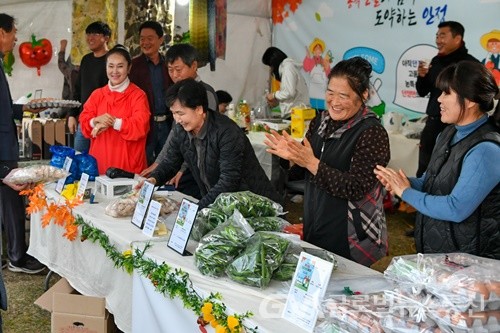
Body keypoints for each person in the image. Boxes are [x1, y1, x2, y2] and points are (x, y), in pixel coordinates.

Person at [265, 57, 390, 266]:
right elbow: (304, 172)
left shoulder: (372, 133)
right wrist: (290, 158)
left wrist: (310, 162)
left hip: (350, 232)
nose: (334, 101)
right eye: (330, 93)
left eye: (343, 96)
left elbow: (356, 187)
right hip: (317, 220)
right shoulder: (320, 121)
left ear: (364, 96)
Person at [375, 60, 500, 259]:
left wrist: (405, 192)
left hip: (471, 263)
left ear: (470, 101)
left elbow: (456, 208)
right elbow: (429, 182)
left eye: (446, 93)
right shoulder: (447, 133)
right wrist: (399, 182)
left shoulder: (486, 150)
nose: (439, 99)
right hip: (440, 252)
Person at [144, 78, 281, 208]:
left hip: (252, 204)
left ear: (199, 109)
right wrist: (153, 180)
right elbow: (170, 162)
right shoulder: (181, 130)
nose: (177, 119)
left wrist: (199, 208)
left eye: (180, 113)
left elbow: (228, 181)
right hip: (221, 203)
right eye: (173, 113)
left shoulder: (227, 132)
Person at [0, 13, 46, 279]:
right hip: (3, 152)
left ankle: (15, 254)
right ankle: (17, 256)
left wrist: (25, 108)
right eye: (13, 33)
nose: (16, 38)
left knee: (9, 205)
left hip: (5, 148)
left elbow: (3, 109)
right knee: (12, 203)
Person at [141, 43, 219, 199]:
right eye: (170, 70)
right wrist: (160, 163)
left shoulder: (205, 93)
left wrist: (181, 168)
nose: (175, 75)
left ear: (194, 66)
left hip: (198, 162)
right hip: (183, 160)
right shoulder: (177, 93)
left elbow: (197, 137)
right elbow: (176, 134)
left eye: (179, 69)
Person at [416, 21, 478, 178]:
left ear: (457, 39)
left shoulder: (470, 65)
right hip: (433, 123)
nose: (438, 40)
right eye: (437, 36)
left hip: (455, 126)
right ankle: (416, 200)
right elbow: (422, 91)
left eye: (442, 36)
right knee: (424, 166)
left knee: (448, 172)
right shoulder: (436, 61)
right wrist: (422, 77)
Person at [78, 44, 150, 175]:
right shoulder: (97, 95)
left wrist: (114, 122)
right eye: (110, 66)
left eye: (120, 66)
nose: (114, 71)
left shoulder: (138, 95)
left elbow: (141, 126)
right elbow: (84, 123)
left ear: (129, 68)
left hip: (128, 167)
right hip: (99, 164)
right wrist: (95, 121)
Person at [129, 21, 173, 165]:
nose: (145, 42)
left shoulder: (169, 65)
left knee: (167, 164)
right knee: (143, 165)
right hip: (145, 126)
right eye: (142, 39)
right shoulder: (133, 66)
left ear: (160, 39)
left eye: (150, 38)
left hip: (167, 124)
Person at [67, 21, 111, 152]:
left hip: (105, 121)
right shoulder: (86, 60)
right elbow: (77, 89)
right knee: (79, 156)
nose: (90, 38)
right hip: (85, 119)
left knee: (101, 160)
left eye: (95, 34)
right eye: (88, 34)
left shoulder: (112, 60)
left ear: (106, 38)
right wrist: (71, 115)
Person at [262, 46, 309, 119]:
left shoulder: (288, 68)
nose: (271, 69)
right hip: (296, 112)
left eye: (270, 66)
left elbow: (289, 92)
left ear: (273, 62)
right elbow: (291, 94)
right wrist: (276, 102)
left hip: (296, 114)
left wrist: (273, 95)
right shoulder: (288, 68)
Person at [57, 39, 79, 118]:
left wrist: (62, 48)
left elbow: (61, 64)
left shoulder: (72, 72)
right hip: (70, 102)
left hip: (72, 104)